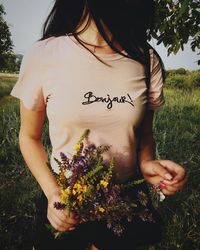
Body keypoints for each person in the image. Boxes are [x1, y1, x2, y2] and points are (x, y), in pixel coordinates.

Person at [10, 0, 187, 249]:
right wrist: (53, 194)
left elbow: (145, 134)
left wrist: (147, 163)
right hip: (67, 197)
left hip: (125, 199)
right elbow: (29, 137)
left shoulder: (145, 59)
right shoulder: (45, 55)